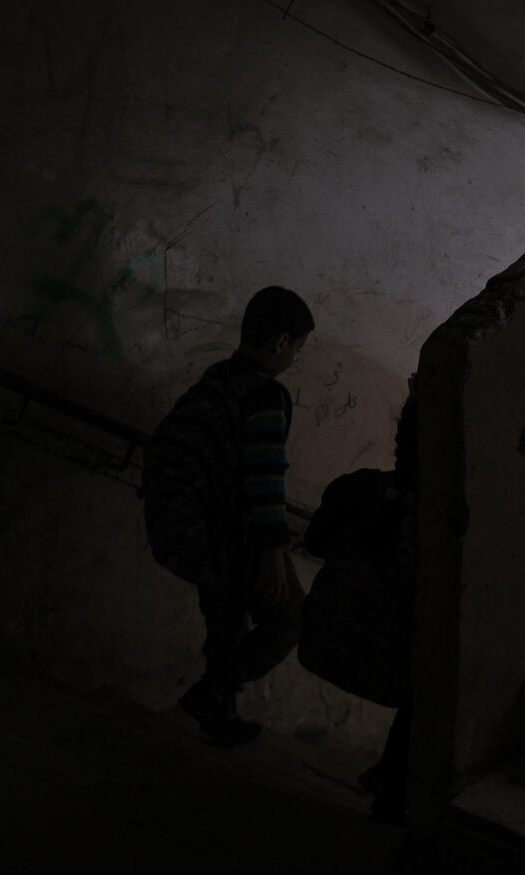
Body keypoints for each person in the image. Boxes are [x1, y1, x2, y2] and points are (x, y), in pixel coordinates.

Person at [142, 285, 314, 747]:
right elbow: (264, 477)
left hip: (201, 528)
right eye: (297, 347)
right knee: (290, 621)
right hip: (242, 539)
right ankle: (210, 692)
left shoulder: (218, 377)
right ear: (281, 342)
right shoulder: (265, 397)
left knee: (225, 624)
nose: (295, 357)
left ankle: (217, 712)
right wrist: (273, 553)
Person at [303, 394, 417, 823]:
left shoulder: (368, 492)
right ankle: (392, 787)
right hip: (397, 658)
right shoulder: (443, 524)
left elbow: (316, 542)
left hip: (348, 642)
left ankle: (391, 781)